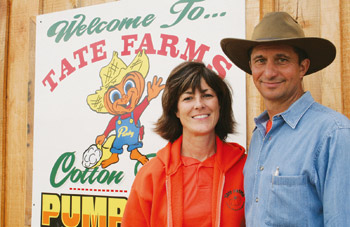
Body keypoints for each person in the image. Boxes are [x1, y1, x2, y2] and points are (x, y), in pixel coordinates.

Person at [221, 11, 350, 226]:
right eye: (260, 60)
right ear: (251, 67)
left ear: (303, 67)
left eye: (282, 60)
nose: (269, 72)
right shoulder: (260, 135)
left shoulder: (334, 134)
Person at [122, 61, 246, 227]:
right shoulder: (152, 175)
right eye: (188, 98)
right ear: (176, 110)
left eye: (207, 95)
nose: (199, 105)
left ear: (220, 104)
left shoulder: (245, 168)